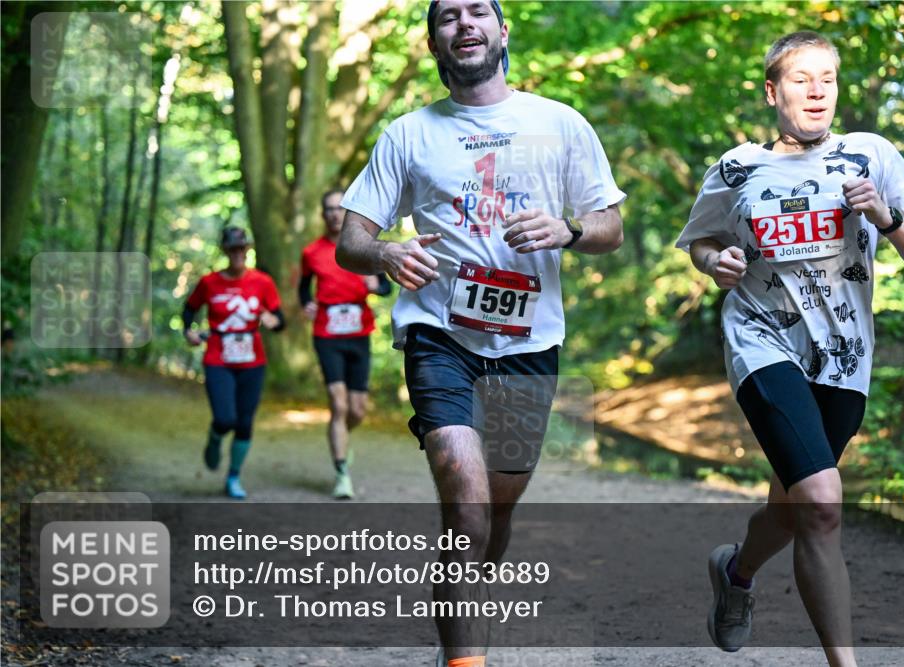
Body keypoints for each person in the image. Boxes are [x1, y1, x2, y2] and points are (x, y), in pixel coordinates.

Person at [336, 1, 626, 664]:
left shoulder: (559, 123)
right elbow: (353, 237)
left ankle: (461, 614)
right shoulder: (408, 134)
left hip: (529, 343)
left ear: (502, 31)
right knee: (465, 503)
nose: (463, 23)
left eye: (477, 11)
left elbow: (608, 226)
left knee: (492, 512)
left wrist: (571, 231)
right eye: (447, 17)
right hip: (440, 335)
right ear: (435, 42)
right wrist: (385, 253)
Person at [676, 31, 904, 666]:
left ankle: (736, 573)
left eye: (827, 77)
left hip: (845, 358)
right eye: (801, 78)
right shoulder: (736, 167)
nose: (817, 89)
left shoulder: (871, 155)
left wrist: (885, 216)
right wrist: (719, 261)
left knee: (794, 505)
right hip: (761, 338)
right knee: (822, 502)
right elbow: (701, 245)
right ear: (773, 91)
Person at [299, 189, 391, 500]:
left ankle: (341, 441)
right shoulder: (311, 252)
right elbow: (302, 289)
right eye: (329, 209)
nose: (335, 214)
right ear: (322, 215)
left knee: (357, 410)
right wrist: (306, 304)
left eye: (340, 208)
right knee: (337, 405)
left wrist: (375, 285)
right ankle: (341, 473)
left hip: (359, 335)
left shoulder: (363, 247)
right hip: (327, 335)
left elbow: (386, 287)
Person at [183, 226, 285, 499]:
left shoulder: (263, 282)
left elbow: (278, 319)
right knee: (225, 418)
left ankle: (233, 477)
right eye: (232, 248)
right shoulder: (209, 282)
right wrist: (188, 331)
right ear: (225, 251)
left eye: (242, 248)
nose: (238, 253)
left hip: (253, 360)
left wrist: (273, 322)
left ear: (247, 249)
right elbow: (189, 308)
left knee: (244, 422)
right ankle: (215, 437)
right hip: (218, 357)